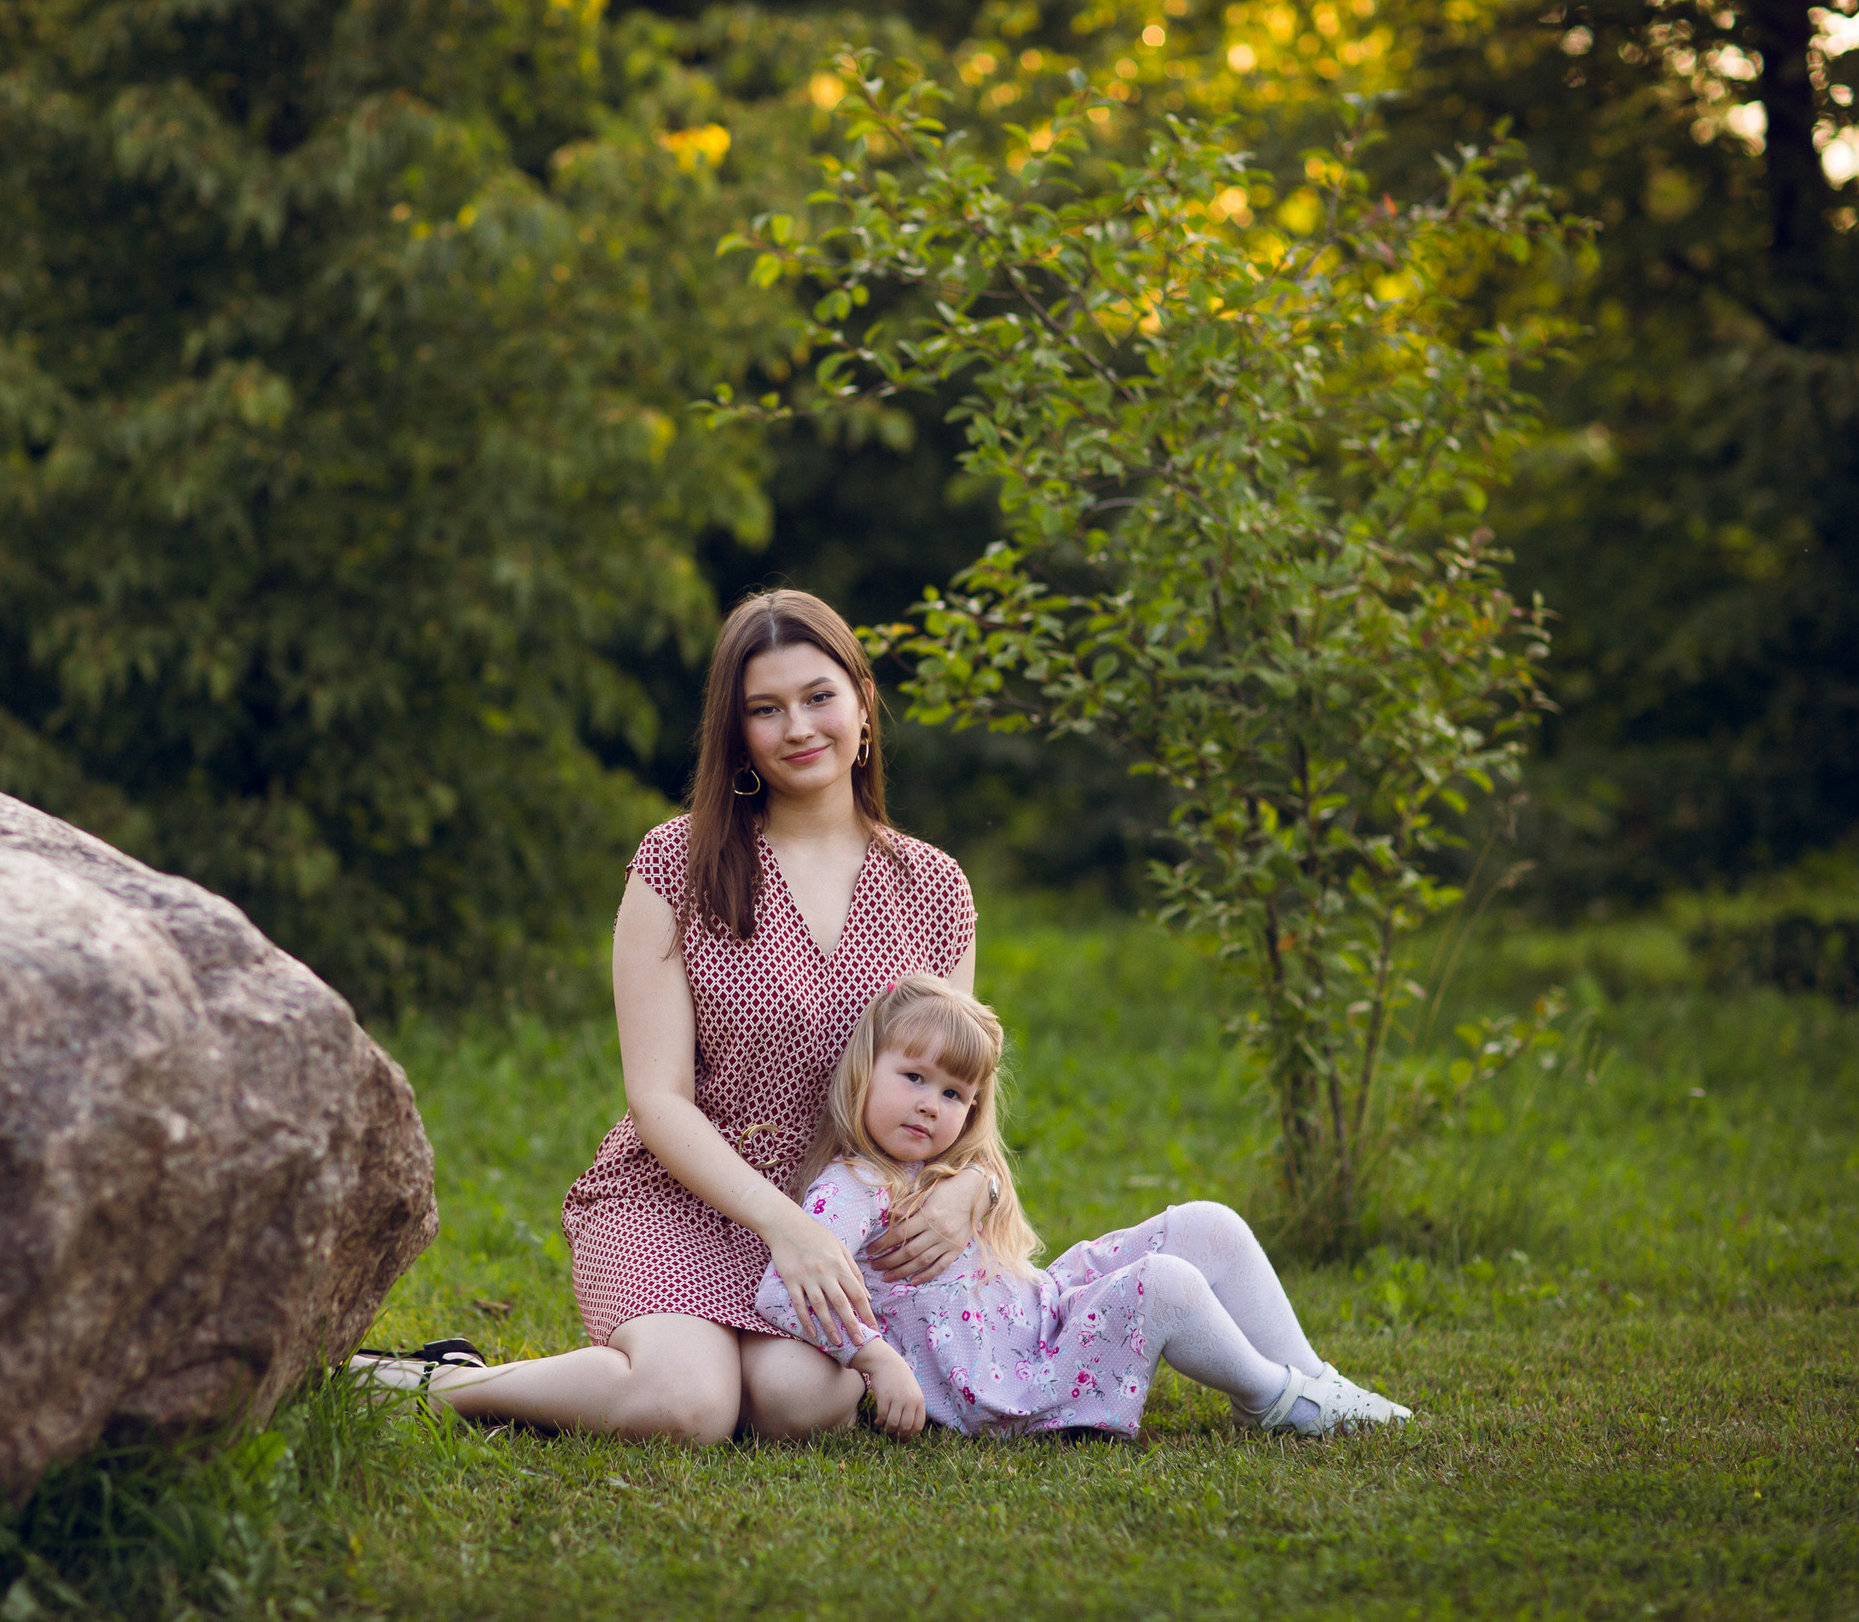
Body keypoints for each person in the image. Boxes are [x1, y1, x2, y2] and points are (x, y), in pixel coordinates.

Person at [364, 589, 994, 1440]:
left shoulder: (934, 886)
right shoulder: (676, 863)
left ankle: (727, 1362)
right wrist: (780, 1224)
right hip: (676, 1195)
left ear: (863, 705)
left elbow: (960, 1089)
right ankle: (426, 1381)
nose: (798, 728)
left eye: (819, 697)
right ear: (737, 732)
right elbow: (657, 1098)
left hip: (839, 1217)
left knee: (803, 1404)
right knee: (687, 1403)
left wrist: (974, 1189)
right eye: (765, 709)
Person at [754, 973, 1415, 1440]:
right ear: (864, 1070)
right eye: (914, 1078)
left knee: (1208, 1225)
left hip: (1040, 1313)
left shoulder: (943, 1167)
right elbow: (784, 1293)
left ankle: (1315, 1379)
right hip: (1010, 1379)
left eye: (954, 1094)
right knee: (1164, 1285)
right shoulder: (853, 1186)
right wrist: (876, 1359)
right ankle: (1273, 1399)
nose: (931, 1104)